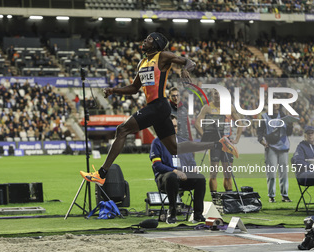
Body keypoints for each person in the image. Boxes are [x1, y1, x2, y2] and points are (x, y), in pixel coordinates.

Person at [80, 32, 215, 185]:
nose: (145, 40)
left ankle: (101, 173)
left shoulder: (162, 56)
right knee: (174, 149)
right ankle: (214, 144)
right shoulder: (142, 63)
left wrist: (186, 70)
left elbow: (190, 61)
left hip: (159, 105)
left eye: (149, 39)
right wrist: (114, 90)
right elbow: (134, 87)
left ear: (156, 43)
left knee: (122, 130)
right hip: (155, 107)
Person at [150, 115, 206, 224]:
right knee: (172, 176)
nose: (173, 128)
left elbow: (191, 162)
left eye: (175, 126)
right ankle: (172, 212)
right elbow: (157, 165)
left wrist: (194, 169)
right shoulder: (157, 143)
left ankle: (198, 214)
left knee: (200, 178)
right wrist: (175, 171)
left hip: (183, 177)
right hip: (165, 178)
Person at [195, 89, 242, 196]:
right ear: (212, 94)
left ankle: (228, 196)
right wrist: (206, 137)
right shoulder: (207, 107)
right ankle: (215, 197)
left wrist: (237, 138)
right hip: (215, 143)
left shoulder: (229, 107)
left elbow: (240, 122)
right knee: (214, 172)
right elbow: (197, 123)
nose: (218, 96)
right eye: (216, 93)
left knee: (228, 173)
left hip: (227, 143)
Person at [257, 103, 293, 203]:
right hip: (270, 147)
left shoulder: (284, 116)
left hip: (283, 147)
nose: (275, 105)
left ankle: (284, 195)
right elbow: (259, 131)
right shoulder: (264, 117)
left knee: (284, 173)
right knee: (271, 173)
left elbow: (289, 133)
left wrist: (290, 125)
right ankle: (271, 195)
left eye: (277, 103)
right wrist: (261, 141)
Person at [292, 126, 314, 200]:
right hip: (303, 174)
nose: (310, 135)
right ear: (305, 135)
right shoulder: (301, 147)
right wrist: (313, 167)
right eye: (308, 133)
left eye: (312, 133)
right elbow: (297, 162)